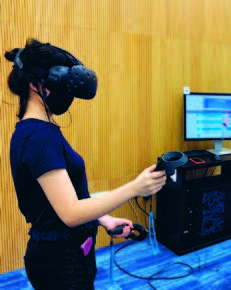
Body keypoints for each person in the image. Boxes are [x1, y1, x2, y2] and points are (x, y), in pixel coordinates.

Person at [4, 39, 167, 289]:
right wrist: (135, 188)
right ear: (34, 84)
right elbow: (69, 212)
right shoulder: (38, 137)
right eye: (59, 84)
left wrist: (104, 219)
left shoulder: (41, 131)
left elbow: (69, 198)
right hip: (59, 264)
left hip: (71, 256)